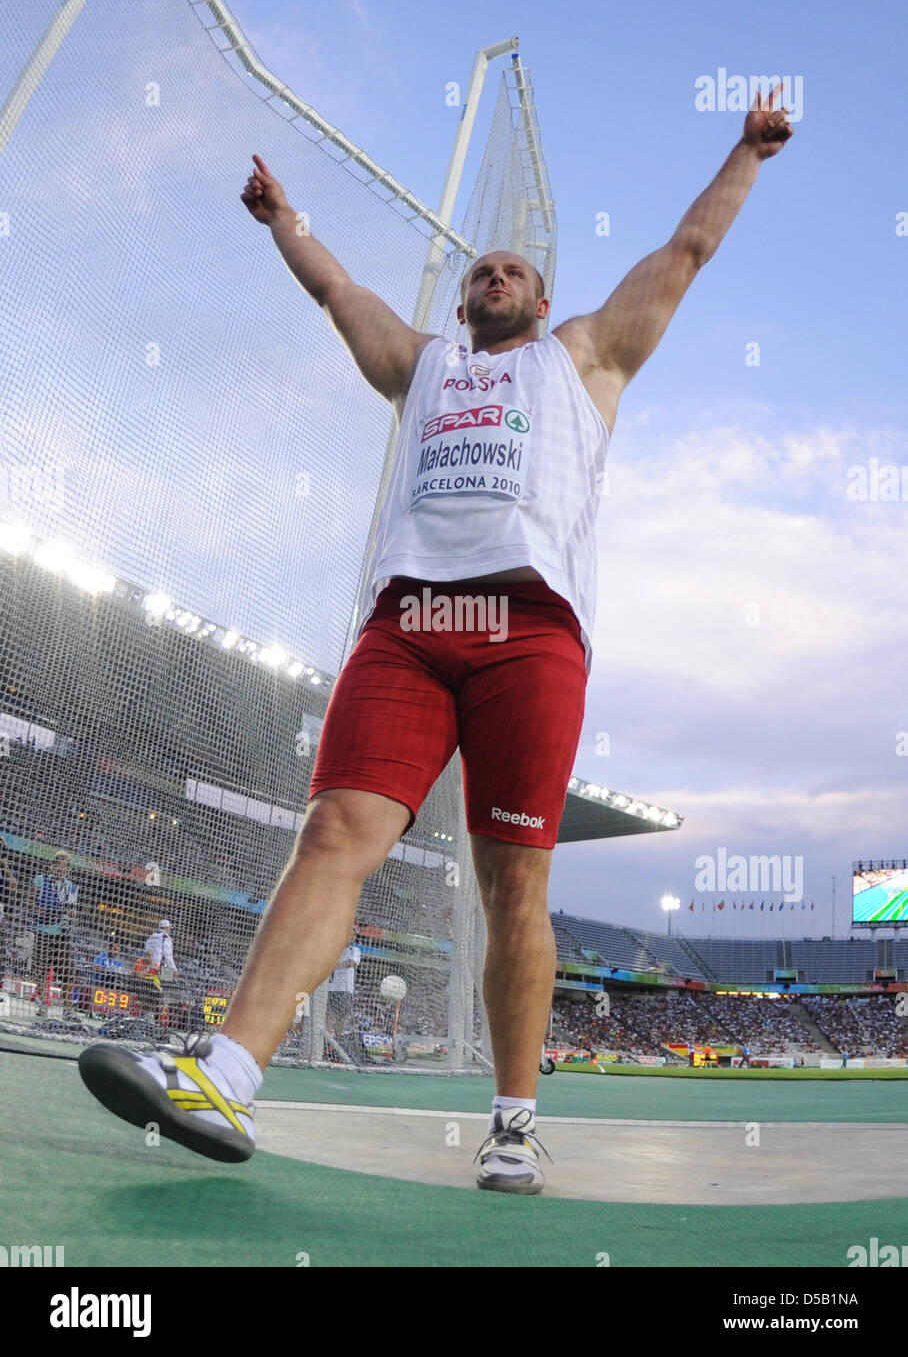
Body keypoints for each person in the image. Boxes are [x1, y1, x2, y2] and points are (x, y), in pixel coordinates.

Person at [78, 88, 794, 1189]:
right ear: (463, 304)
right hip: (409, 628)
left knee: (515, 884)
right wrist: (283, 222)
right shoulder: (423, 370)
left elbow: (686, 249)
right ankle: (224, 1074)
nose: (490, 277)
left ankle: (511, 1121)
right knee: (332, 835)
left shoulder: (584, 357)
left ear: (542, 295)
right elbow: (336, 292)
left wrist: (744, 149)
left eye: (508, 269)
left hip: (528, 633)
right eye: (477, 273)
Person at [31, 850, 79, 1011]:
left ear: (68, 869)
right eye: (59, 865)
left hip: (61, 933)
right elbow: (31, 902)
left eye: (65, 866)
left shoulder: (71, 886)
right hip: (43, 930)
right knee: (42, 969)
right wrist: (38, 909)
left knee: (69, 971)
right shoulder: (41, 880)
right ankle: (43, 1004)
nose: (61, 869)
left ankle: (67, 1010)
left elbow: (72, 910)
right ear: (53, 866)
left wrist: (71, 912)